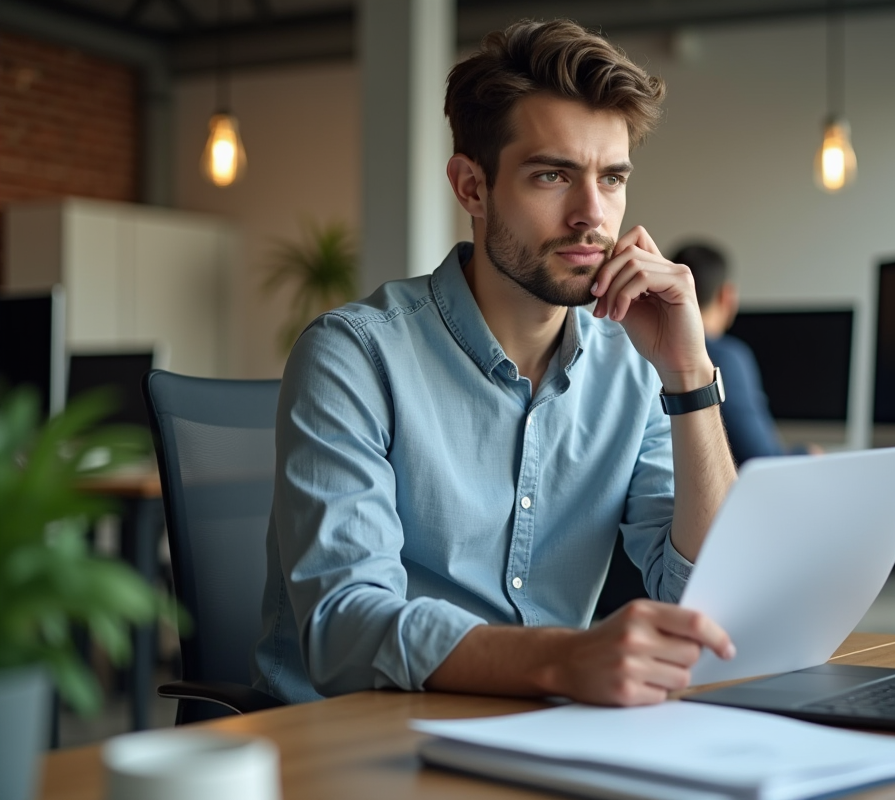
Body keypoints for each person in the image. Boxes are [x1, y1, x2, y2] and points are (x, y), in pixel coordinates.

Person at [252, 19, 737, 708]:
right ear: (472, 188)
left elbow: (705, 597)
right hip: (344, 740)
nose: (591, 217)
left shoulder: (632, 366)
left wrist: (688, 377)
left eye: (612, 179)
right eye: (552, 176)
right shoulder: (355, 355)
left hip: (536, 733)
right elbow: (343, 627)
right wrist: (563, 660)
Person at [672, 242, 803, 466]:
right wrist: (806, 453)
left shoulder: (644, 349)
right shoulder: (727, 357)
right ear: (726, 295)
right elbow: (762, 459)